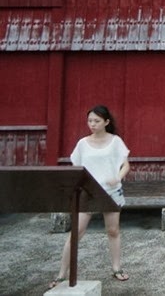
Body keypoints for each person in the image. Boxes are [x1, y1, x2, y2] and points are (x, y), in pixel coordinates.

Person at [48, 105, 131, 288]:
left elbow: (126, 165)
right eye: (90, 121)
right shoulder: (82, 143)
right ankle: (61, 274)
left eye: (96, 121)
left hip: (112, 191)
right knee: (76, 232)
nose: (92, 124)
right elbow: (77, 167)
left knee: (113, 230)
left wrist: (117, 177)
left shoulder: (115, 141)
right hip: (88, 191)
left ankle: (116, 268)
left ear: (106, 122)